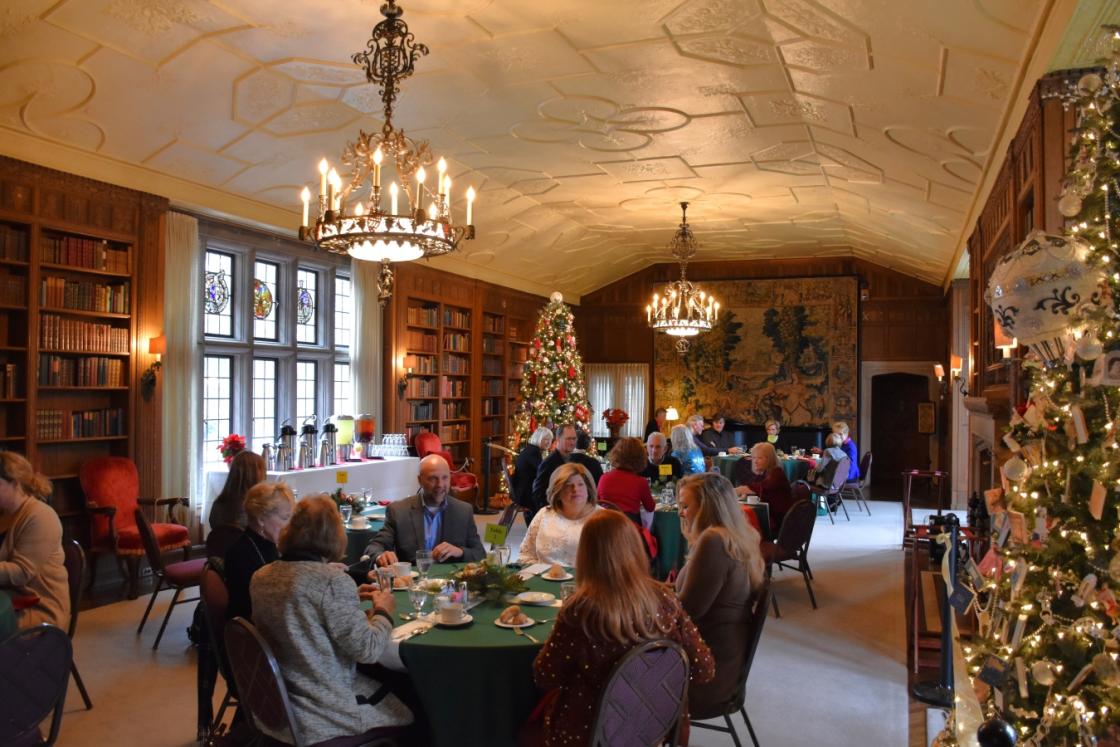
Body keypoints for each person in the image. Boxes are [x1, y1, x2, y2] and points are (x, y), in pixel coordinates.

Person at [532, 510, 715, 746]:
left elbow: (545, 675)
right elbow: (704, 670)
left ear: (585, 555)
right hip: (653, 728)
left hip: (588, 733)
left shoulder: (580, 611)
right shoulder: (666, 600)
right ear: (635, 548)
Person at [250, 495, 413, 745]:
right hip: (324, 710)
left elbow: (303, 618)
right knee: (414, 698)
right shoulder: (331, 581)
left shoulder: (261, 576)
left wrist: (350, 601)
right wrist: (383, 611)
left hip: (277, 703)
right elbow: (368, 650)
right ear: (334, 537)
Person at [676, 472, 765, 719]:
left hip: (706, 675)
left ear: (707, 507)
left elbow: (685, 614)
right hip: (725, 664)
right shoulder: (735, 536)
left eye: (685, 506)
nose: (680, 513)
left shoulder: (713, 540)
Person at [367, 454, 485, 566]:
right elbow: (374, 547)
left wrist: (460, 552)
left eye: (445, 478)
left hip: (450, 583)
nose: (440, 484)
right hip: (411, 582)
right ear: (420, 480)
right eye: (433, 478)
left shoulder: (463, 511)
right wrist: (380, 556)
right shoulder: (398, 511)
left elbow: (480, 553)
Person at [0, 452, 68, 630]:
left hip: (39, 610)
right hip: (12, 601)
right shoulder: (6, 513)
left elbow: (21, 572)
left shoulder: (40, 516)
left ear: (15, 483)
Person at [224, 481, 295, 622]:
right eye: (285, 518)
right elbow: (263, 602)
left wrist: (320, 571)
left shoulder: (269, 545)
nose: (289, 525)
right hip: (253, 631)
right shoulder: (241, 554)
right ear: (261, 519)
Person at [518, 463, 601, 567]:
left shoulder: (603, 518)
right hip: (543, 578)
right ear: (557, 491)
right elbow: (526, 554)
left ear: (588, 488)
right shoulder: (544, 514)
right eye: (568, 485)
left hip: (585, 581)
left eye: (580, 484)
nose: (575, 489)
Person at [734, 442, 794, 535]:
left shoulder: (776, 473)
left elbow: (759, 487)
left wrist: (733, 491)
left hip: (779, 522)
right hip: (771, 516)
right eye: (753, 458)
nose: (755, 461)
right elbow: (754, 486)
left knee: (739, 523)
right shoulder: (765, 472)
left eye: (760, 458)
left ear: (769, 459)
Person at [596, 437, 655, 523]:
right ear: (640, 458)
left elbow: (597, 503)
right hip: (630, 529)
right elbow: (650, 507)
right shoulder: (641, 482)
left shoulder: (604, 478)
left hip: (606, 528)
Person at [209, 450, 267, 530]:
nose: (264, 474)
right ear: (253, 474)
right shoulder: (252, 508)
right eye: (262, 470)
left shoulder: (218, 503)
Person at [531, 423, 578, 512]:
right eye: (568, 439)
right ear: (558, 440)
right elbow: (538, 493)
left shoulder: (575, 459)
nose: (572, 442)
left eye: (574, 438)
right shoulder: (549, 463)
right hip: (556, 511)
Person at [512, 427, 552, 516]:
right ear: (538, 438)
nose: (549, 442)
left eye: (550, 439)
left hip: (521, 490)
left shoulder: (531, 449)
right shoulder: (533, 452)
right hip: (526, 494)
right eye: (546, 439)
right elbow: (543, 471)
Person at [811, 433, 851, 512]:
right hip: (838, 485)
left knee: (808, 479)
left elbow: (819, 469)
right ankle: (831, 502)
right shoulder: (844, 455)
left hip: (827, 484)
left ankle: (813, 507)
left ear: (828, 441)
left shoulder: (828, 451)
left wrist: (814, 465)